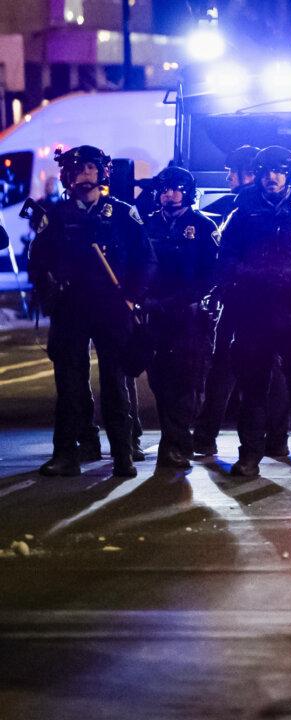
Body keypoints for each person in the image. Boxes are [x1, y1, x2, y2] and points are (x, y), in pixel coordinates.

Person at [27, 146, 155, 478]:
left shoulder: (124, 214)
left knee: (116, 381)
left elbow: (146, 260)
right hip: (70, 307)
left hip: (112, 306)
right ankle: (67, 453)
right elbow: (37, 263)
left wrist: (132, 298)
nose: (83, 175)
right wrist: (48, 297)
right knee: (69, 384)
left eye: (89, 168)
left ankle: (124, 454)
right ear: (66, 177)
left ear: (101, 173)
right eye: (75, 170)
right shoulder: (54, 216)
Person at [216, 146, 291, 477]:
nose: (272, 177)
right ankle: (250, 457)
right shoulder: (242, 215)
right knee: (252, 388)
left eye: (279, 171)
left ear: (289, 174)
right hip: (255, 310)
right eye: (267, 171)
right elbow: (225, 260)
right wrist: (252, 275)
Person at [193, 146, 290, 458]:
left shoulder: (243, 209)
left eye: (233, 171)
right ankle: (276, 439)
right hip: (267, 302)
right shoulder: (273, 205)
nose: (229, 178)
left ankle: (206, 436)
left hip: (243, 302)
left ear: (249, 174)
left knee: (225, 369)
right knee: (273, 373)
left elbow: (227, 258)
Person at [143, 166, 220, 469]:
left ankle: (176, 444)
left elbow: (213, 273)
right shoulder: (148, 226)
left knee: (187, 381)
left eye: (175, 188)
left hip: (190, 315)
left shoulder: (202, 226)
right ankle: (173, 441)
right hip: (156, 314)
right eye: (164, 189)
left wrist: (182, 300)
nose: (169, 194)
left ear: (186, 192)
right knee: (160, 381)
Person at [202, 145, 260, 219]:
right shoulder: (275, 205)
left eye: (233, 171)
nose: (228, 178)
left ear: (252, 173)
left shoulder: (228, 202)